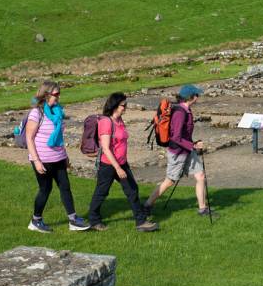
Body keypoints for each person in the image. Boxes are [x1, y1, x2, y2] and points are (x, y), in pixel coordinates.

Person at [25, 80, 91, 233]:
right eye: (56, 94)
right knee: (45, 189)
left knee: (65, 187)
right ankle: (36, 221)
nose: (58, 97)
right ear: (46, 94)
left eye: (59, 94)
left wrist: (65, 156)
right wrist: (36, 161)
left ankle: (73, 220)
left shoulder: (58, 111)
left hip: (59, 157)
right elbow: (29, 138)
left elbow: (59, 136)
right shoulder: (37, 113)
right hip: (43, 159)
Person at [88, 93, 159, 232]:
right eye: (123, 105)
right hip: (108, 165)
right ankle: (94, 220)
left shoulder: (120, 120)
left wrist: (122, 165)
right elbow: (106, 148)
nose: (125, 108)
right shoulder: (106, 122)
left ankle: (141, 222)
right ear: (114, 105)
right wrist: (117, 168)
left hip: (122, 163)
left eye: (126, 105)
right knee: (102, 192)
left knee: (132, 190)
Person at [144, 84, 212, 216]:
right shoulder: (180, 113)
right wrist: (193, 146)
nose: (198, 97)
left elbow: (183, 136)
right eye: (197, 95)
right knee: (169, 181)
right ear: (191, 97)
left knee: (200, 176)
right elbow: (175, 137)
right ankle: (147, 205)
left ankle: (202, 209)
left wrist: (193, 144)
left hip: (187, 150)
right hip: (178, 153)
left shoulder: (186, 110)